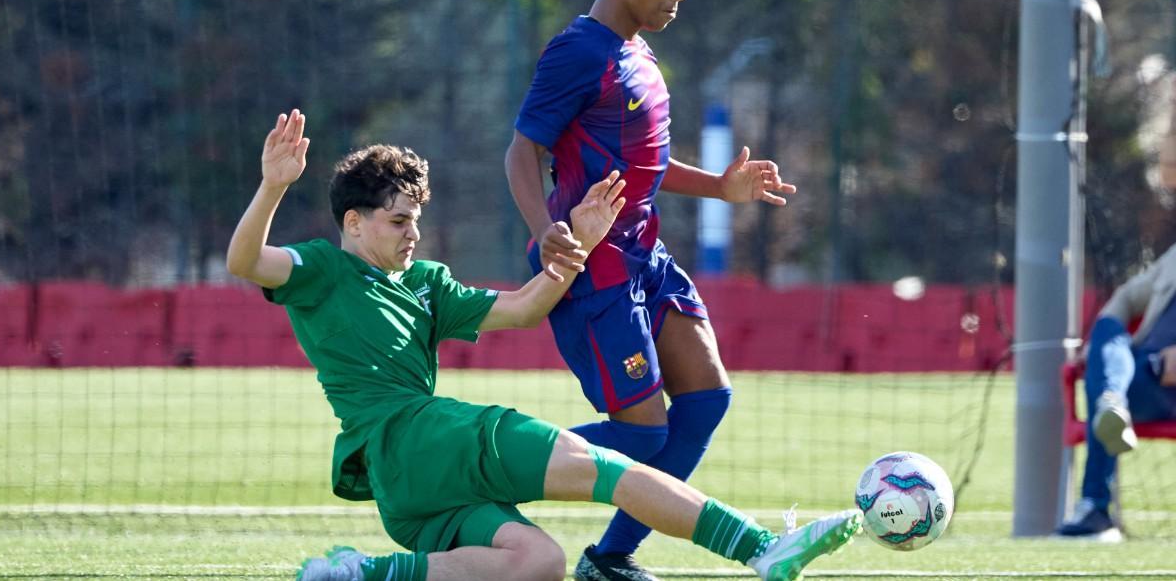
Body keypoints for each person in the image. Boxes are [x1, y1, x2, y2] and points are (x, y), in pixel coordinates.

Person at [227, 109, 860, 581]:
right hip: (417, 436)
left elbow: (526, 306)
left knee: (537, 562)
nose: (412, 233)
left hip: (406, 489)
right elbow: (245, 261)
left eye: (416, 220)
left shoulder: (425, 283)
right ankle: (761, 549)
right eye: (398, 221)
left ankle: (361, 573)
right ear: (354, 222)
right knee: (612, 471)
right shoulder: (322, 269)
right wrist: (273, 186)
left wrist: (581, 241)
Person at [504, 0, 796, 579]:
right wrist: (544, 230)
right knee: (641, 433)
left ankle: (610, 558)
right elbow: (522, 150)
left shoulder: (637, 53)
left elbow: (645, 164)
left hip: (646, 259)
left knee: (707, 399)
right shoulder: (578, 51)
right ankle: (482, 466)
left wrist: (719, 188)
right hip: (594, 270)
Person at [1057, 243, 1176, 541]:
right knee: (1106, 330)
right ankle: (1112, 401)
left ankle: (1095, 508)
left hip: (1167, 385)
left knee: (1102, 374)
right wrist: (1097, 347)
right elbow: (1127, 296)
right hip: (1142, 375)